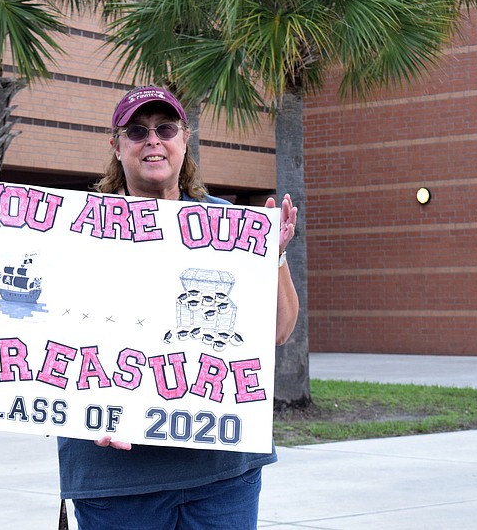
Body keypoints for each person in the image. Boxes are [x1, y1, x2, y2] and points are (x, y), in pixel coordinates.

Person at [58, 86, 299, 530]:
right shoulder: (77, 230)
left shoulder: (227, 225)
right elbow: (54, 335)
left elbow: (279, 330)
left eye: (164, 128)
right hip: (117, 480)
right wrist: (80, 407)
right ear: (116, 146)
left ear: (184, 139)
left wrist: (275, 257)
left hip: (221, 472)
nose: (153, 140)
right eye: (137, 131)